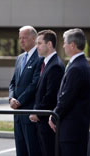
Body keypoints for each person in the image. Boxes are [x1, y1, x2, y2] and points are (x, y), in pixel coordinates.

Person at [49, 28, 90, 156]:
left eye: (65, 42)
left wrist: (54, 115)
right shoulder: (82, 64)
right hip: (77, 127)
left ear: (72, 45)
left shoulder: (77, 68)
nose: (63, 45)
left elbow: (67, 96)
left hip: (72, 129)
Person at [29, 30, 65, 156]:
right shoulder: (46, 63)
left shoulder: (55, 66)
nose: (36, 47)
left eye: (39, 43)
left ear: (49, 44)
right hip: (42, 122)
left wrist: (37, 113)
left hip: (47, 123)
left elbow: (51, 95)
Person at [9, 25, 42, 156]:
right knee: (20, 151)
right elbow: (13, 82)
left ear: (34, 39)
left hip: (29, 112)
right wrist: (11, 98)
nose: (22, 41)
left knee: (32, 150)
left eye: (25, 38)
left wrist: (19, 101)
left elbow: (35, 84)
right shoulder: (20, 57)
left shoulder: (40, 58)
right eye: (20, 38)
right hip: (17, 114)